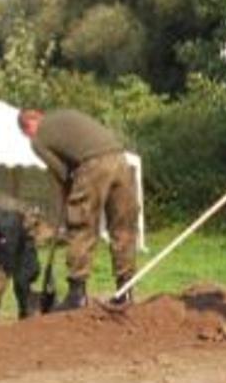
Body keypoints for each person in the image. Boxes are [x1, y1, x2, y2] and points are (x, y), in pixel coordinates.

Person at [18, 107, 140, 309]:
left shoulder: (37, 138)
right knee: (123, 227)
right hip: (120, 158)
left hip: (93, 164)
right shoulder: (63, 115)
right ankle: (125, 291)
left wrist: (68, 197)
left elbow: (62, 172)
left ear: (27, 128)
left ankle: (77, 294)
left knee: (81, 226)